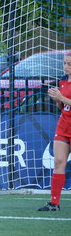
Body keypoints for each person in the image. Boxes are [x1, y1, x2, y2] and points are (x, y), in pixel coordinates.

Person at [39, 51, 71, 211]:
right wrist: (58, 100)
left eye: (69, 64)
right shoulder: (63, 81)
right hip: (63, 126)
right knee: (58, 162)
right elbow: (63, 107)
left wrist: (62, 98)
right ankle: (54, 203)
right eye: (64, 63)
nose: (66, 66)